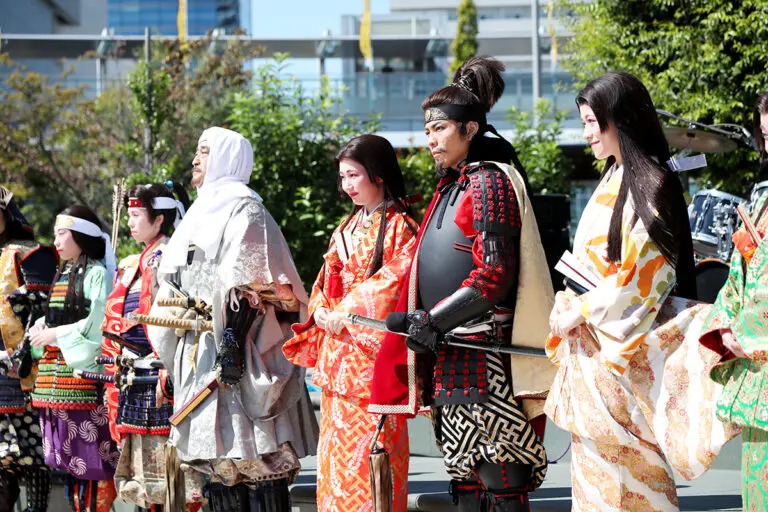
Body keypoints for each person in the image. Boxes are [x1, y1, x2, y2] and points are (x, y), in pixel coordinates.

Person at [368, 56, 555, 512]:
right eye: (427, 130)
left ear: (470, 129)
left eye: (440, 129)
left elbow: (493, 275)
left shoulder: (489, 182)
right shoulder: (452, 186)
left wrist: (432, 321)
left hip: (486, 355)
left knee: (501, 473)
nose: (430, 140)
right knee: (465, 477)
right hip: (450, 354)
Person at [544, 72, 705, 510]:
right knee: (596, 479)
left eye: (591, 121)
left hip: (622, 352)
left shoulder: (653, 181)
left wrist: (580, 311)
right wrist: (566, 303)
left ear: (620, 118)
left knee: (632, 478)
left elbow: (644, 275)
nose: (586, 133)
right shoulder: (614, 176)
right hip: (597, 348)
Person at [147, 126, 318, 512]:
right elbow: (171, 285)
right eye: (197, 151)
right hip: (197, 353)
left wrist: (231, 344)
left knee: (259, 464)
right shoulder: (196, 215)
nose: (195, 160)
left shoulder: (247, 210)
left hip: (241, 352)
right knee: (219, 470)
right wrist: (170, 353)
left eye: (204, 151)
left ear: (227, 157)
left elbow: (253, 282)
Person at [283, 134, 418, 511]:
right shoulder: (345, 228)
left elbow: (395, 281)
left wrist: (348, 312)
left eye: (354, 175)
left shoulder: (402, 227)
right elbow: (325, 280)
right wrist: (320, 309)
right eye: (342, 177)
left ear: (379, 174)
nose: (346, 185)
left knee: (373, 458)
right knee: (335, 463)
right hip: (338, 356)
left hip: (372, 361)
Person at [100, 183, 192, 510]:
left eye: (137, 215)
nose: (130, 222)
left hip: (160, 374)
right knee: (140, 474)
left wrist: (167, 362)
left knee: (170, 473)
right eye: (129, 215)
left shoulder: (171, 255)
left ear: (159, 220)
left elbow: (179, 317)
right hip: (134, 374)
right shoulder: (134, 262)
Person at [698, 91, 768, 511]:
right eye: (767, 136)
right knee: (757, 490)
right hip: (759, 368)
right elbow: (740, 273)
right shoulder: (763, 197)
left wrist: (752, 334)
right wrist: (727, 325)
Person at [28, 205, 119, 512]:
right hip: (54, 383)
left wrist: (56, 334)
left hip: (82, 383)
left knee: (93, 465)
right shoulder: (65, 273)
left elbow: (96, 323)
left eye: (62, 233)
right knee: (70, 468)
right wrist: (42, 326)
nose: (55, 241)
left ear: (81, 235)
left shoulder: (97, 274)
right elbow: (62, 315)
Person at [0, 187, 58, 512]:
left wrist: (23, 353)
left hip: (25, 370)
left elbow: (43, 309)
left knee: (34, 456)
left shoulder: (29, 253)